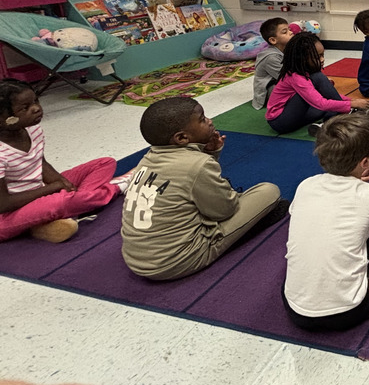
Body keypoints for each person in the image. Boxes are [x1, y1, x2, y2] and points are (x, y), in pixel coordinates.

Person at [283, 110, 369, 331]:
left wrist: (356, 180)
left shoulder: (305, 185)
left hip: (295, 308)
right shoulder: (368, 194)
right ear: (365, 162)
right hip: (348, 311)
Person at [121, 97, 282, 280]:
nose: (210, 121)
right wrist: (211, 161)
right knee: (269, 191)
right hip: (177, 261)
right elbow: (225, 211)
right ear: (182, 137)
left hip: (135, 260)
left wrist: (211, 153)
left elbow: (190, 182)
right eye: (203, 119)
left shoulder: (145, 160)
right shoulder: (197, 164)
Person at [0, 80, 131, 243]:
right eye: (24, 108)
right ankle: (117, 187)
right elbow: (3, 204)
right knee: (60, 201)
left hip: (36, 190)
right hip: (6, 215)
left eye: (35, 101)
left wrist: (62, 183)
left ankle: (56, 215)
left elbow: (40, 163)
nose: (36, 108)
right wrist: (53, 189)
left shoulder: (31, 129)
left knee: (105, 163)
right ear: (3, 118)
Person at [266, 32, 369, 135]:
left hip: (296, 115)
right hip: (280, 121)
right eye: (318, 56)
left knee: (327, 106)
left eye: (323, 55)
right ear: (302, 58)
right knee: (320, 85)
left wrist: (350, 100)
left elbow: (325, 97)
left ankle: (324, 124)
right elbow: (320, 102)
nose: (323, 59)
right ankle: (343, 116)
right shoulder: (296, 76)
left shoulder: (306, 71)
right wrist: (351, 104)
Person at [252, 17, 293, 109]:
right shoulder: (271, 58)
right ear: (273, 40)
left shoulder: (287, 50)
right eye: (284, 32)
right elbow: (287, 78)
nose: (290, 32)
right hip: (269, 89)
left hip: (281, 82)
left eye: (289, 29)